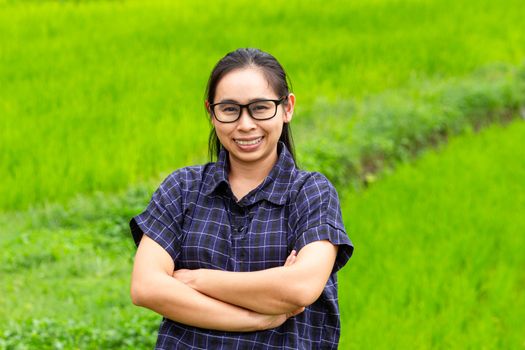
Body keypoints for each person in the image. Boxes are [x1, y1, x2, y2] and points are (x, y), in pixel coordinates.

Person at [129, 48, 354, 349]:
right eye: (230, 109)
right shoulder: (182, 189)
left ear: (287, 108)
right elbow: (146, 287)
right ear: (211, 112)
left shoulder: (310, 192)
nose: (245, 124)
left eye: (260, 108)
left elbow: (300, 287)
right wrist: (259, 318)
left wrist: (197, 280)